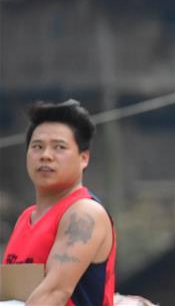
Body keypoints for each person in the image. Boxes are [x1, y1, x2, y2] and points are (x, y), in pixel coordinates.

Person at [3, 99, 116, 306]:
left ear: (84, 158)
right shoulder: (26, 218)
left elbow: (54, 292)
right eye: (37, 146)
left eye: (59, 147)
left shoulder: (84, 213)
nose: (46, 156)